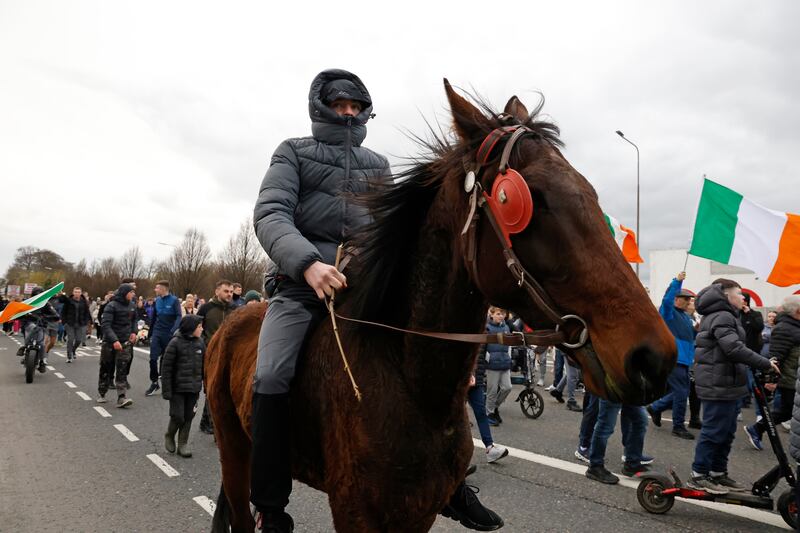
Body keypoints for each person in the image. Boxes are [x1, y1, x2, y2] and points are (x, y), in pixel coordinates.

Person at [250, 69, 500, 532]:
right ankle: (268, 505)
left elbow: (393, 237)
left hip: (362, 291)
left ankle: (454, 484)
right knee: (270, 375)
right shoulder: (293, 153)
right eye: (339, 105)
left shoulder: (378, 165)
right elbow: (270, 214)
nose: (348, 113)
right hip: (301, 287)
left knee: (432, 372)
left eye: (355, 106)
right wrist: (307, 263)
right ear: (321, 107)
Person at [688, 279, 778, 494]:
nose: (743, 298)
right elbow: (733, 348)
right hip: (717, 383)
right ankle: (699, 475)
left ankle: (719, 473)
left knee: (726, 431)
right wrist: (765, 362)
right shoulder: (723, 316)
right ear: (726, 296)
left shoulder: (727, 315)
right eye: (739, 294)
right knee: (714, 431)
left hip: (727, 383)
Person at [745, 296, 800, 450]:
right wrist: (771, 379)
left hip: (793, 377)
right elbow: (775, 356)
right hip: (789, 379)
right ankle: (756, 428)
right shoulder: (785, 328)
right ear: (797, 311)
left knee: (787, 412)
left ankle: (757, 428)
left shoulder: (794, 325)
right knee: (787, 413)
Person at [646, 271, 697, 439]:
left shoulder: (686, 317)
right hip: (673, 359)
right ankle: (678, 426)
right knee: (682, 392)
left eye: (689, 299)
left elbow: (690, 339)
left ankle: (656, 407)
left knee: (682, 391)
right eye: (684, 298)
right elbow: (666, 300)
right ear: (676, 298)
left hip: (683, 360)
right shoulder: (668, 313)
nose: (688, 301)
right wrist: (677, 282)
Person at [160, 314, 205, 458]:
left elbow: (204, 367)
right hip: (177, 389)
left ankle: (183, 444)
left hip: (194, 389)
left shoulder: (200, 343)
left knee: (189, 416)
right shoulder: (175, 343)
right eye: (199, 327)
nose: (202, 329)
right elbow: (166, 368)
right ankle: (170, 434)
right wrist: (166, 390)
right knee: (178, 416)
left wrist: (205, 384)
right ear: (191, 328)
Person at [196, 279, 236, 434]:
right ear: (217, 291)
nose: (229, 294)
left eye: (231, 291)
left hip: (227, 354)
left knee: (221, 388)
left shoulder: (235, 309)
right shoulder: (206, 308)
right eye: (226, 291)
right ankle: (210, 422)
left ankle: (207, 421)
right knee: (211, 388)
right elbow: (196, 328)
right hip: (208, 353)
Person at [583, 396, 651, 484]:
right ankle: (595, 466)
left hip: (629, 389)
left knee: (641, 421)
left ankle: (632, 462)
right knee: (605, 426)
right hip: (612, 388)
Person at [98, 283, 138, 407]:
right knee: (106, 367)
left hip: (125, 342)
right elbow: (105, 325)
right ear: (124, 293)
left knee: (122, 369)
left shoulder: (132, 306)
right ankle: (102, 392)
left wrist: (134, 332)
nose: (133, 294)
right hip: (110, 343)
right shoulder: (111, 306)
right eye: (131, 292)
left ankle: (122, 397)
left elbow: (134, 320)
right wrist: (114, 340)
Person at [470, 338, 509, 464]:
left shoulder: (484, 331)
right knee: (455, 418)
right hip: (460, 379)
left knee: (481, 413)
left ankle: (490, 448)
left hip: (477, 380)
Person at [145, 280, 182, 396]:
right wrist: (150, 333)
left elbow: (179, 316)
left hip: (169, 333)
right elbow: (154, 317)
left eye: (157, 288)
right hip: (157, 332)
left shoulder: (174, 300)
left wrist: (173, 330)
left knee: (166, 359)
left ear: (163, 289)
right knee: (152, 358)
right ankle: (154, 382)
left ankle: (166, 381)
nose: (155, 290)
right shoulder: (157, 301)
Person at [484, 307, 513, 425]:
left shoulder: (506, 327)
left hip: (504, 362)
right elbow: (483, 346)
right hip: (492, 364)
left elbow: (509, 344)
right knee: (492, 391)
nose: (501, 316)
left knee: (507, 387)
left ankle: (494, 407)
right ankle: (489, 414)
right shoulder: (487, 328)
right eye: (498, 314)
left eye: (503, 314)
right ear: (491, 315)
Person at [59, 286, 92, 363]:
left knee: (78, 340)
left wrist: (90, 321)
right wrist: (64, 321)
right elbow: (63, 309)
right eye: (75, 292)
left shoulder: (84, 302)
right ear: (73, 293)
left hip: (80, 324)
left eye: (78, 292)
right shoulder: (69, 301)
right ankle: (69, 356)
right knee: (70, 339)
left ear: (81, 293)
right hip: (70, 323)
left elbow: (87, 312)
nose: (77, 293)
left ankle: (73, 350)